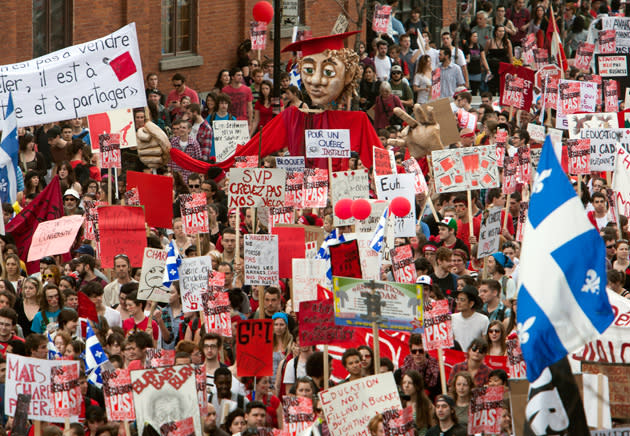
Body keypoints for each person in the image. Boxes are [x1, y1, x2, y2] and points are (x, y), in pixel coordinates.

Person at [400, 333, 441, 399]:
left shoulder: (435, 372)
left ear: (426, 351)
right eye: (414, 351)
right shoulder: (403, 371)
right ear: (410, 351)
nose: (417, 354)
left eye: (421, 351)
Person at [451, 285, 489, 351]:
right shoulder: (452, 318)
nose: (458, 302)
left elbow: (485, 343)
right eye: (457, 299)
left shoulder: (483, 320)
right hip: (456, 356)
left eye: (462, 300)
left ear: (471, 303)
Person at [481, 25, 513, 95]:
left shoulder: (507, 42)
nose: (502, 33)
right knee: (492, 88)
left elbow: (510, 56)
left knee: (502, 88)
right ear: (495, 32)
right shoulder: (489, 42)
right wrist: (483, 66)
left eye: (503, 31)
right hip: (492, 68)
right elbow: (484, 54)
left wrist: (512, 68)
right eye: (500, 31)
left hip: (503, 68)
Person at [169, 118, 203, 184]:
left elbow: (198, 160)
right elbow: (170, 159)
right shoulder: (173, 141)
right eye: (180, 127)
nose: (181, 130)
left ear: (189, 130)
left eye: (184, 128)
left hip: (189, 176)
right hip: (176, 175)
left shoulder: (194, 143)